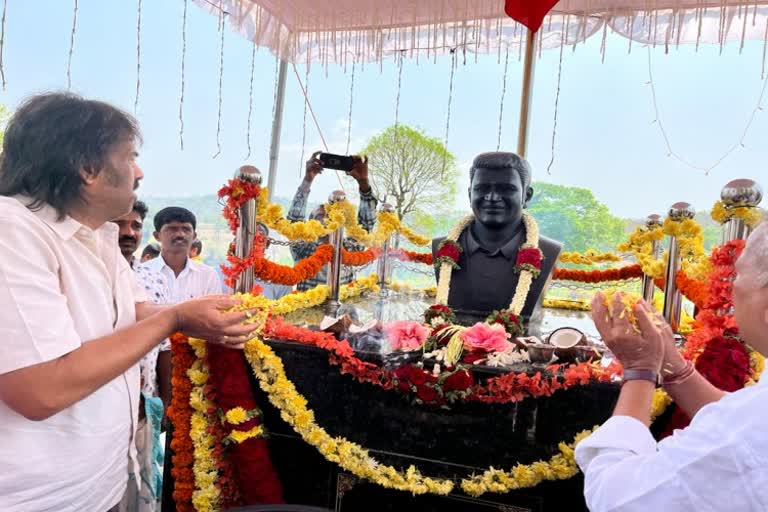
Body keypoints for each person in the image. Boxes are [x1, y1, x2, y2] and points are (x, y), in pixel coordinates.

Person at [0, 92, 256, 512]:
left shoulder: (96, 235)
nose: (138, 172)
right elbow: (38, 388)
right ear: (87, 169)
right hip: (39, 499)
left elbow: (134, 313)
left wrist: (207, 318)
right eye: (130, 157)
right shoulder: (12, 231)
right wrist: (176, 316)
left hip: (103, 480)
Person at [575, 218, 768, 511]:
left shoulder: (748, 435)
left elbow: (615, 497)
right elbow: (738, 415)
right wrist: (672, 365)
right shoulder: (751, 421)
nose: (731, 289)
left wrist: (639, 370)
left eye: (737, 275)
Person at [432, 152, 561, 326]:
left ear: (527, 196)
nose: (492, 198)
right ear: (470, 194)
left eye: (506, 189)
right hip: (446, 349)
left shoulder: (547, 251)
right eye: (482, 189)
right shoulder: (443, 249)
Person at [112, 200, 169, 512]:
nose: (128, 232)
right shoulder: (91, 275)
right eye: (120, 224)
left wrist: (167, 402)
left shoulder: (152, 278)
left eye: (135, 226)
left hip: (145, 407)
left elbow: (164, 345)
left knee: (142, 492)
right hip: (103, 408)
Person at [288, 151, 377, 291]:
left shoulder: (349, 248)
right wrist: (308, 179)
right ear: (310, 224)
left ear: (339, 223)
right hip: (307, 310)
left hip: (343, 311)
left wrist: (363, 182)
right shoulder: (303, 249)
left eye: (331, 216)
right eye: (319, 216)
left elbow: (365, 225)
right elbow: (294, 222)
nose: (325, 220)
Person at [142, 206, 222, 303]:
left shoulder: (208, 275)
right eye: (172, 229)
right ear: (157, 236)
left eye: (186, 229)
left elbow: (213, 314)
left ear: (194, 236)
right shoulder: (142, 273)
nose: (180, 234)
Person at [254, 222, 293, 300]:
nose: (251, 242)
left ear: (267, 244)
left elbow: (284, 310)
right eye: (246, 237)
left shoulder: (281, 280)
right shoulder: (224, 274)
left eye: (259, 238)